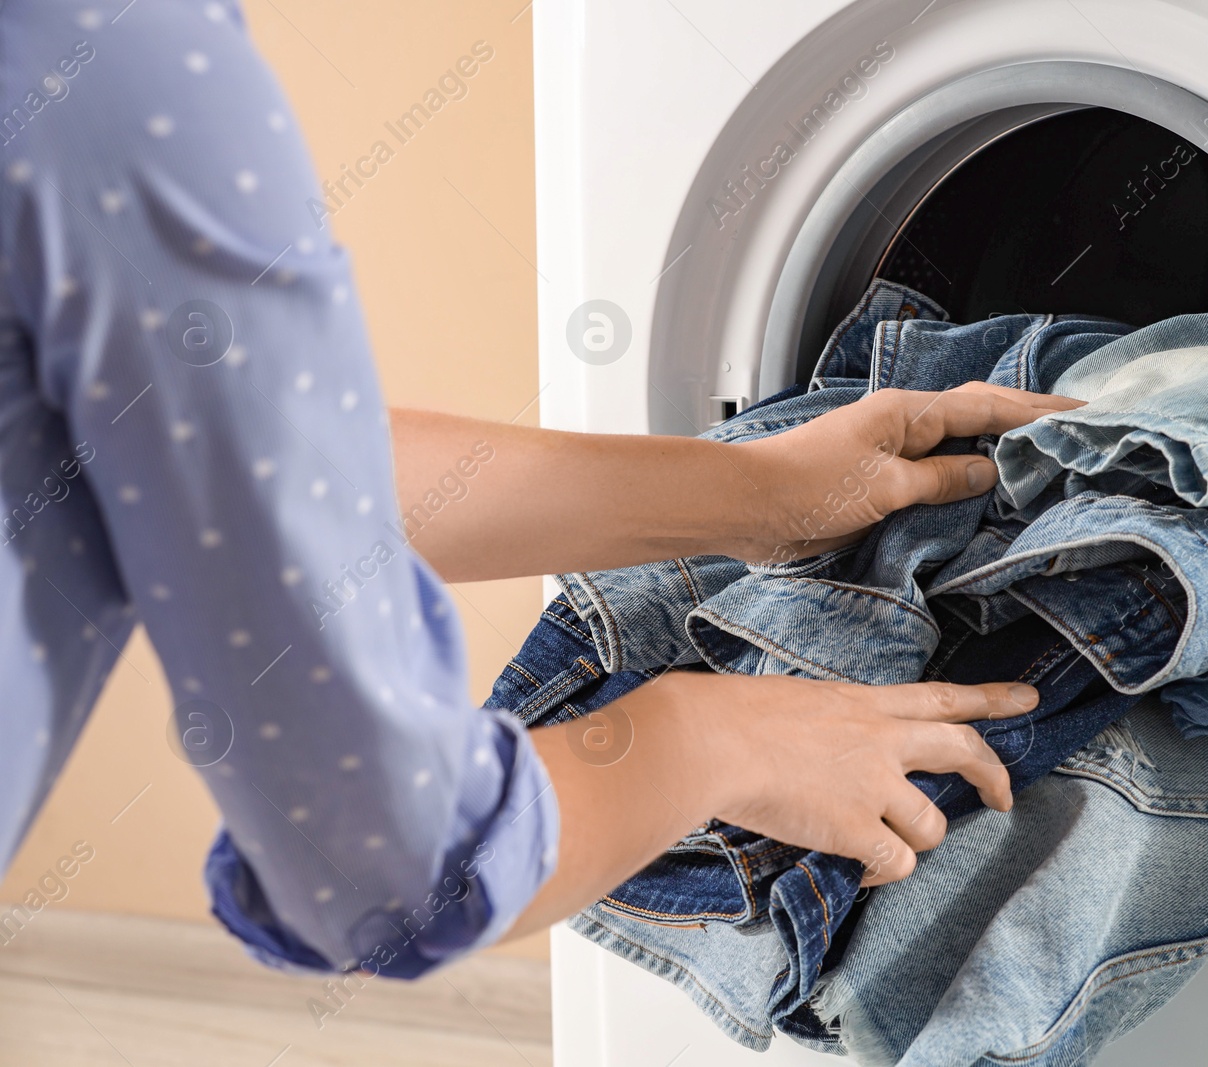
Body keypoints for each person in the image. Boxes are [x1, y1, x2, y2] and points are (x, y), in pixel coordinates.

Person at [0, 0, 1075, 975]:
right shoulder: (126, 70)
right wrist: (717, 739)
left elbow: (248, 474)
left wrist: (754, 491)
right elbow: (383, 867)